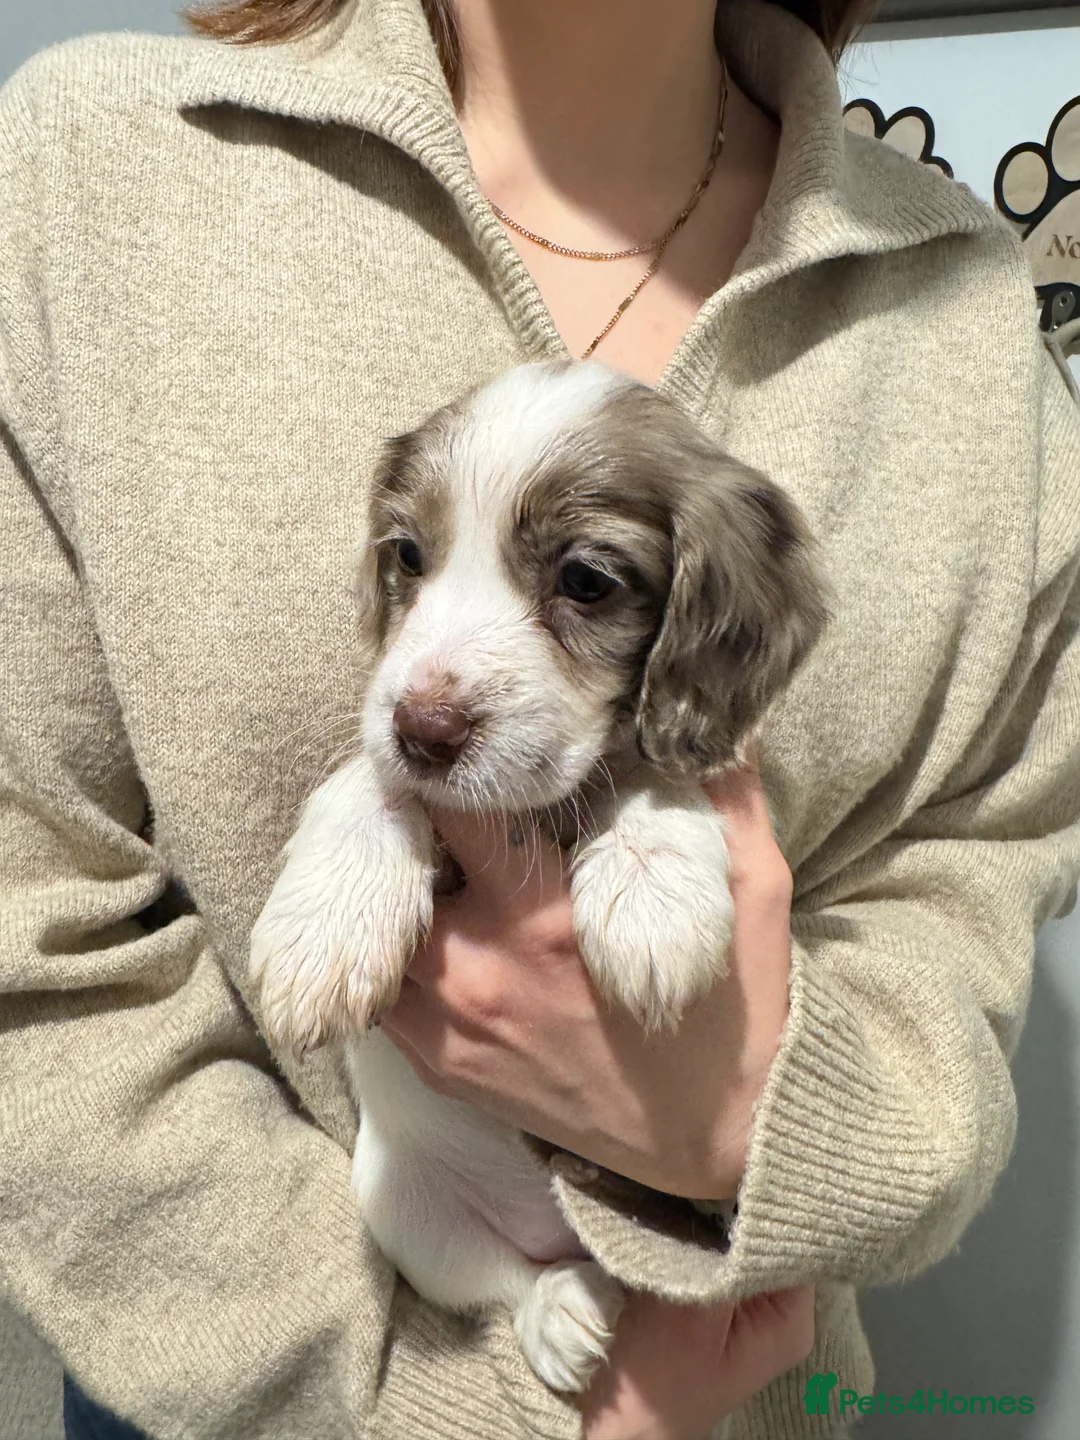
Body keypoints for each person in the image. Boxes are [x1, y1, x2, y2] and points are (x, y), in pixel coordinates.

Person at [0, 0, 1076, 1437]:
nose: (433, 680)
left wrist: (762, 1115)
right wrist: (482, 1414)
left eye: (577, 582)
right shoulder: (93, 172)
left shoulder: (964, 305)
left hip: (756, 1386)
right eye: (412, 559)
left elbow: (973, 886)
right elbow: (38, 946)